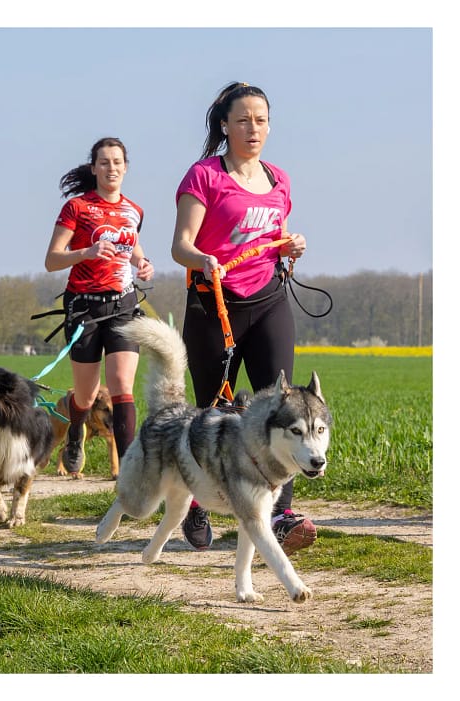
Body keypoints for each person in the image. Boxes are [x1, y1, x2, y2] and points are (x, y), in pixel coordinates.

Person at [171, 81, 315, 556]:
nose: (252, 128)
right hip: (214, 303)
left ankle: (281, 513)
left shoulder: (279, 180)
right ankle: (197, 501)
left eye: (260, 119)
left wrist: (292, 245)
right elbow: (181, 246)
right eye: (242, 120)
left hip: (269, 298)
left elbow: (275, 236)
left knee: (283, 405)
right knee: (213, 410)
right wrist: (202, 259)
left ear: (269, 125)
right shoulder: (204, 176)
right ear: (225, 125)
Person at [44, 137, 154, 475]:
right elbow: (51, 260)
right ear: (94, 168)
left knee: (122, 385)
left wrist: (143, 262)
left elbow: (131, 245)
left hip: (123, 304)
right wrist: (85, 253)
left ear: (126, 167)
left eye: (117, 161)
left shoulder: (134, 210)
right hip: (85, 308)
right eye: (104, 162)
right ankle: (76, 431)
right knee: (86, 396)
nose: (111, 168)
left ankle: (133, 473)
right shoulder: (77, 208)